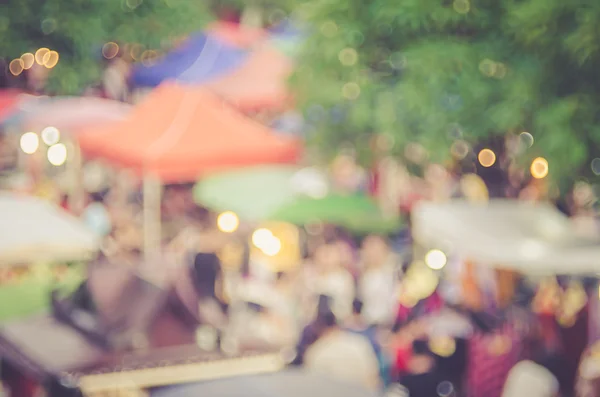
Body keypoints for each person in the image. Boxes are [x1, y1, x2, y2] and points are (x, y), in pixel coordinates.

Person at [304, 310, 380, 390]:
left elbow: (314, 387)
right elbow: (373, 378)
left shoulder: (315, 352)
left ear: (318, 328)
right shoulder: (360, 343)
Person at [358, 235, 399, 325]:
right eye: (369, 249)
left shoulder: (394, 273)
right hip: (366, 323)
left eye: (377, 250)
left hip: (389, 323)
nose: (373, 253)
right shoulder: (362, 275)